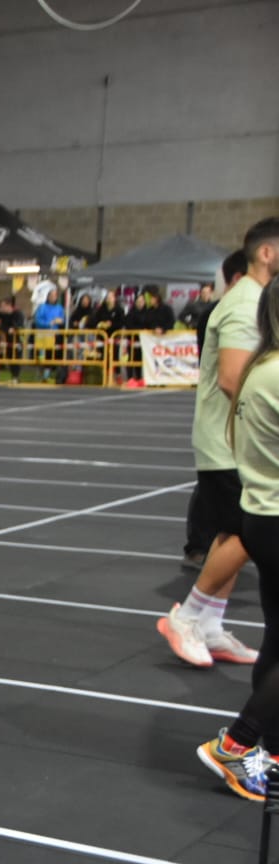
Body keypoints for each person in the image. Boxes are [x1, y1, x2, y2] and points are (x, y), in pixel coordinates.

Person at [158, 220, 279, 670]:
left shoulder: (255, 300)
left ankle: (208, 623)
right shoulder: (245, 302)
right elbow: (233, 378)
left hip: (239, 441)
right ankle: (188, 616)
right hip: (228, 441)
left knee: (236, 533)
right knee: (247, 533)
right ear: (266, 253)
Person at [198, 271, 279, 800]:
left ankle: (268, 748)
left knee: (278, 636)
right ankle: (238, 743)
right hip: (274, 515)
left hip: (262, 516)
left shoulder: (260, 368)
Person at [184, 252, 249, 569]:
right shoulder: (224, 314)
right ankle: (198, 545)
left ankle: (199, 609)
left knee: (237, 526)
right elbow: (228, 376)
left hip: (237, 427)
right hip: (223, 426)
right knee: (240, 527)